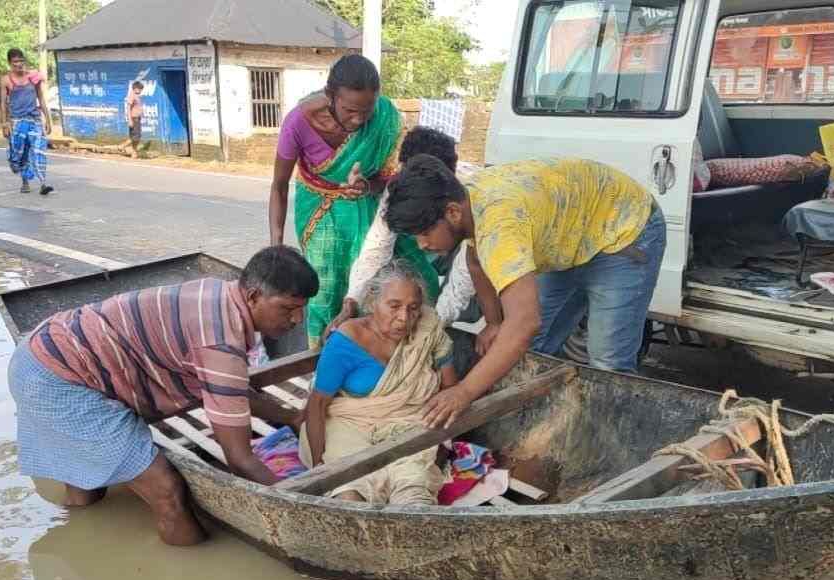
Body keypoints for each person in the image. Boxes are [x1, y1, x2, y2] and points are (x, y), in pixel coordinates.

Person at [8, 247, 319, 545]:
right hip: (59, 380)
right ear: (253, 296)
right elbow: (240, 459)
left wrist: (291, 418)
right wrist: (304, 509)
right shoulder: (219, 341)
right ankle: (192, 578)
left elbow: (232, 391)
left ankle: (81, 535)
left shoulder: (219, 293)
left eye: (302, 309)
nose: (296, 320)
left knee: (87, 484)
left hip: (40, 351)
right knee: (166, 490)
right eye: (288, 309)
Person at [386, 156, 666, 428]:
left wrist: (464, 391)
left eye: (424, 233)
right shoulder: (468, 202)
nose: (421, 245)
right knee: (529, 348)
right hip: (574, 230)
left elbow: (524, 323)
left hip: (625, 228)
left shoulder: (500, 226)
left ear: (453, 213)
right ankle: (541, 426)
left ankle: (610, 445)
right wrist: (494, 322)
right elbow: (476, 261)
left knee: (608, 362)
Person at [268, 54, 402, 346]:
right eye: (351, 110)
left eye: (367, 111)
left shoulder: (385, 117)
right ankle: (321, 358)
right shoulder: (298, 122)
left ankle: (365, 356)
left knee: (368, 285)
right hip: (320, 211)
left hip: (366, 212)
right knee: (324, 290)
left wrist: (368, 186)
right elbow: (279, 186)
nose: (359, 120)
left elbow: (392, 181)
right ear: (330, 96)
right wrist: (276, 248)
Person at [301, 260, 456, 505]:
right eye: (394, 306)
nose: (404, 318)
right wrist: (320, 465)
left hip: (407, 421)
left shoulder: (427, 329)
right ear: (373, 302)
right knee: (348, 488)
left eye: (413, 308)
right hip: (350, 424)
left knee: (414, 487)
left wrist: (440, 434)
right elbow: (317, 404)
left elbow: (450, 388)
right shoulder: (347, 340)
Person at [328, 126, 497, 334]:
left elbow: (463, 277)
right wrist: (352, 301)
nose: (422, 244)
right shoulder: (401, 188)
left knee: (470, 299)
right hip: (442, 245)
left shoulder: (473, 207)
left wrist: (428, 331)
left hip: (471, 250)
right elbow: (376, 248)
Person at [0, 48, 53, 195]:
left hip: (34, 119)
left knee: (38, 150)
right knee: (21, 153)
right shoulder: (6, 80)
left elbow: (41, 98)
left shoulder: (33, 77)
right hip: (17, 121)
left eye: (21, 60)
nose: (19, 64)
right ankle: (25, 182)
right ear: (10, 63)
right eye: (15, 61)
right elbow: (3, 103)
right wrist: (5, 123)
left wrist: (47, 120)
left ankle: (43, 183)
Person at [124, 80, 144, 158]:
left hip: (137, 119)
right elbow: (128, 108)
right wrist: (130, 120)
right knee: (135, 137)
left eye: (141, 89)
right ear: (135, 88)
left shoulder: (137, 96)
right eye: (140, 89)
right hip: (134, 119)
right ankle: (122, 146)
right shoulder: (131, 95)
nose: (141, 91)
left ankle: (134, 153)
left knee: (137, 137)